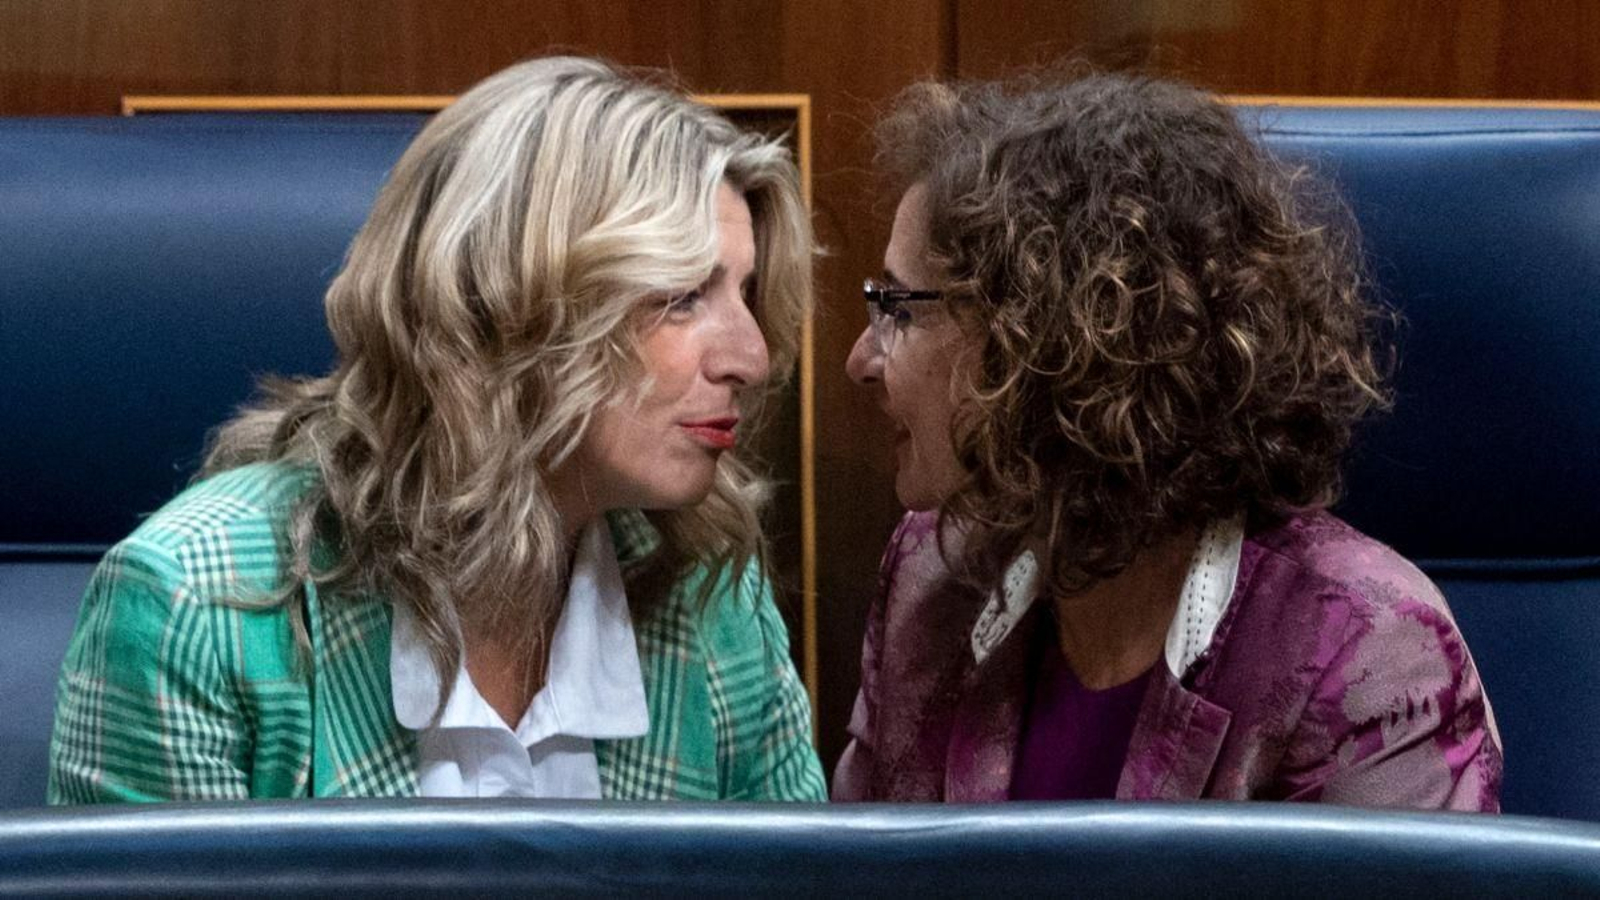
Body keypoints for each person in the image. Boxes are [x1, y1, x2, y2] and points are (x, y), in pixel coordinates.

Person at [49, 56, 824, 802]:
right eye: (684, 294)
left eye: (747, 293)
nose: (751, 358)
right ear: (504, 307)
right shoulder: (195, 609)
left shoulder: (715, 597)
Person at [832, 71, 1501, 808]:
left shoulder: (1367, 653)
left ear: (1047, 340)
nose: (860, 360)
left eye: (898, 308)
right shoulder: (930, 577)